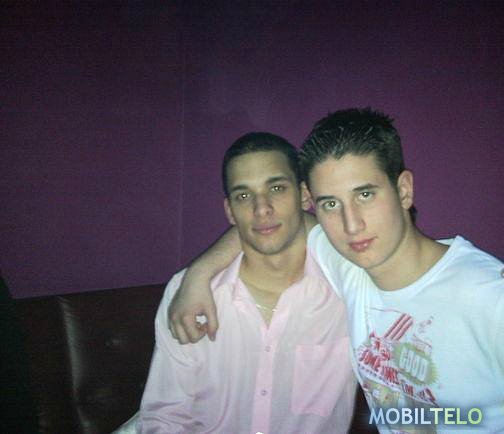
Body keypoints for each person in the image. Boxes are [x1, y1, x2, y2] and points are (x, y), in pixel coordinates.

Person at [169, 109, 504, 433]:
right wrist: (197, 276)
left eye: (365, 194)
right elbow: (269, 225)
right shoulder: (350, 268)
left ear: (403, 190)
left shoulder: (489, 296)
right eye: (330, 203)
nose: (351, 224)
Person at [137, 132, 356, 433]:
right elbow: (166, 418)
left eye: (276, 188)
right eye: (243, 196)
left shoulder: (348, 288)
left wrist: (200, 269)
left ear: (305, 195)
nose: (261, 208)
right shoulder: (188, 294)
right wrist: (198, 275)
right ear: (230, 211)